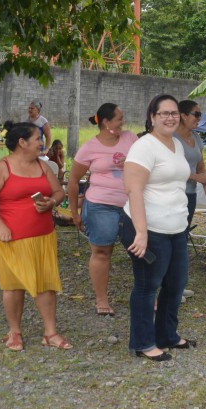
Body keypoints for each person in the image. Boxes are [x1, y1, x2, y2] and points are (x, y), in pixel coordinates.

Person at [0, 121, 69, 351]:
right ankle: (14, 332)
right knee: (13, 286)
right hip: (11, 238)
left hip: (43, 236)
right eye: (37, 139)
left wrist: (52, 202)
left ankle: (50, 332)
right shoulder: (2, 167)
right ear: (22, 143)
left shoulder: (43, 166)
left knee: (46, 284)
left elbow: (58, 191)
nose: (42, 142)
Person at [121, 94, 195, 362]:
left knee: (176, 284)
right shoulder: (144, 147)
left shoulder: (175, 144)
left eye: (174, 113)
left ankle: (167, 335)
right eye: (163, 113)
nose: (170, 117)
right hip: (149, 229)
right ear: (152, 117)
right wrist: (141, 232)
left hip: (176, 227)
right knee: (147, 285)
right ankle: (143, 342)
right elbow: (134, 190)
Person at [68, 103, 137, 316]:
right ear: (106, 123)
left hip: (132, 204)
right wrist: (74, 213)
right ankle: (102, 300)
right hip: (100, 205)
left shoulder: (130, 138)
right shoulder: (89, 147)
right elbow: (73, 180)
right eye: (119, 118)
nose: (123, 121)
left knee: (142, 251)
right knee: (102, 252)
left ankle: (146, 295)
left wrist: (133, 162)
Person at [174, 99, 206, 225]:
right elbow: (169, 169)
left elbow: (200, 165)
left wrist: (205, 183)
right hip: (173, 194)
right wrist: (195, 177)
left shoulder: (196, 137)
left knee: (183, 232)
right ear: (183, 116)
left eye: (200, 115)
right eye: (196, 114)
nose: (199, 118)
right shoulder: (171, 138)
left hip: (190, 194)